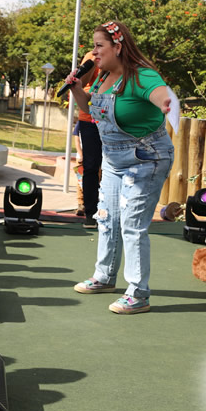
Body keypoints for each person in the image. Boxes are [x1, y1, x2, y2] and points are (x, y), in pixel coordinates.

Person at [68, 21, 174, 315]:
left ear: (117, 47)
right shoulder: (102, 76)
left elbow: (160, 93)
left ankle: (138, 293)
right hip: (114, 161)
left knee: (132, 223)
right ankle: (104, 276)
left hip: (146, 158)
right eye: (93, 46)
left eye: (99, 46)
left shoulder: (141, 76)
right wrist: (76, 89)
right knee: (107, 218)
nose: (93, 52)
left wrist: (165, 103)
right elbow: (90, 109)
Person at [74, 52, 102, 228]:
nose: (96, 47)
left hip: (114, 118)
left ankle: (113, 212)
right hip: (90, 118)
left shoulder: (122, 57)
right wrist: (93, 62)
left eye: (100, 44)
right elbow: (82, 83)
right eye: (95, 44)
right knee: (91, 166)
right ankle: (91, 213)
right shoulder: (91, 57)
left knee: (114, 166)